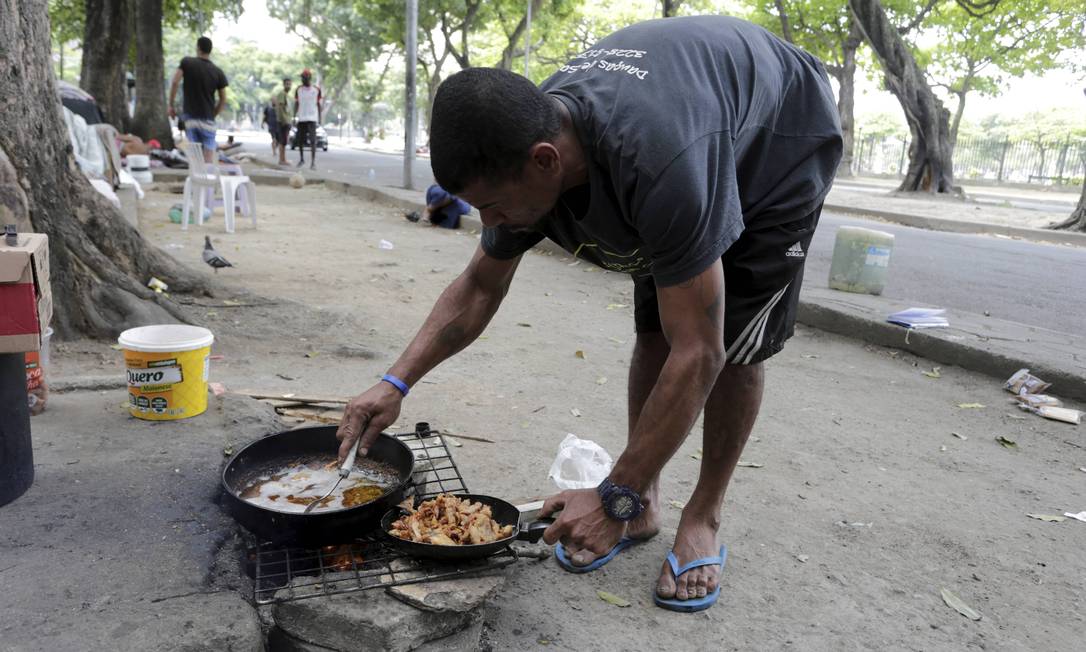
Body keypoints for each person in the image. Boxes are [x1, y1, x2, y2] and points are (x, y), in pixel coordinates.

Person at [335, 16, 841, 613]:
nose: (489, 225)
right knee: (656, 324)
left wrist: (609, 495)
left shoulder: (660, 166)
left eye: (493, 207)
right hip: (688, 123)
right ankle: (644, 502)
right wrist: (396, 382)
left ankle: (701, 513)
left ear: (546, 161)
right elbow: (478, 284)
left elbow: (701, 353)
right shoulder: (527, 140)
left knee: (728, 341)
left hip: (778, 140)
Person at [168, 36, 228, 164]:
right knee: (208, 156)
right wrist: (214, 114)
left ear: (198, 48)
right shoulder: (218, 72)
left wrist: (171, 105)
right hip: (208, 119)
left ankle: (196, 177)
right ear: (210, 50)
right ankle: (207, 180)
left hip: (190, 118)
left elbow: (174, 82)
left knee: (194, 154)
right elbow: (223, 99)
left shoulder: (187, 62)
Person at [293, 69, 322, 169]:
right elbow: (296, 103)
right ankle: (302, 159)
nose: (302, 79)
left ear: (308, 78)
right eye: (301, 77)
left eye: (303, 77)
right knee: (300, 140)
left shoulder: (316, 90)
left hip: (312, 118)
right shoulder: (298, 90)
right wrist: (294, 116)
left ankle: (313, 162)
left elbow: (318, 105)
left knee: (313, 140)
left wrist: (320, 118)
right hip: (302, 118)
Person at [273, 77, 294, 166]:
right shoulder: (282, 94)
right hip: (283, 122)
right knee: (283, 141)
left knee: (284, 141)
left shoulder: (286, 95)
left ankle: (283, 159)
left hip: (287, 121)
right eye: (287, 84)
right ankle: (282, 159)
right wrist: (284, 120)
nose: (288, 86)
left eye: (289, 84)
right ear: (283, 84)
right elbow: (280, 108)